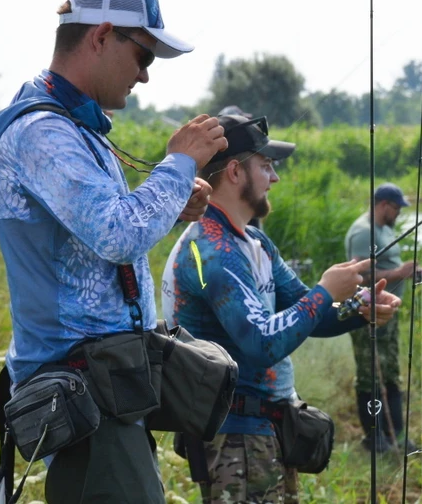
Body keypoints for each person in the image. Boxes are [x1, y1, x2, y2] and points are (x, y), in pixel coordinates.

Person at [0, 0, 227, 503]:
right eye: (145, 57)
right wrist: (179, 161)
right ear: (101, 36)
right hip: (84, 395)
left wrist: (170, 206)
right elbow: (117, 232)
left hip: (108, 387)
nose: (146, 78)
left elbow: (99, 237)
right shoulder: (43, 132)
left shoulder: (74, 125)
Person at [162, 113, 402, 504]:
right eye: (267, 165)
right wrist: (325, 291)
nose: (274, 178)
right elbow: (261, 343)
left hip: (267, 430)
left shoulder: (255, 242)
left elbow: (307, 315)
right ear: (236, 171)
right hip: (234, 438)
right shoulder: (209, 252)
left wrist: (360, 309)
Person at [344, 183, 422, 452]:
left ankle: (397, 436)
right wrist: (400, 273)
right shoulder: (362, 232)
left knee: (391, 375)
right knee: (370, 376)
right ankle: (373, 437)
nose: (399, 213)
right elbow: (359, 276)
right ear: (383, 205)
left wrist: (410, 272)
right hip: (367, 314)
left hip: (387, 315)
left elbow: (387, 267)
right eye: (397, 208)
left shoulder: (384, 229)